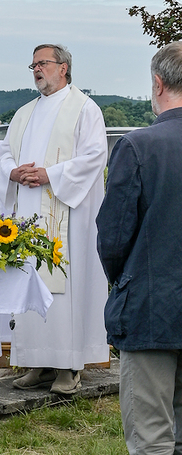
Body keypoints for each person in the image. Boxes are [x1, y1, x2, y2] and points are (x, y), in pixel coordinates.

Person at [0, 44, 109, 395]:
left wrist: (52, 175)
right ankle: (38, 362)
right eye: (33, 65)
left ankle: (68, 367)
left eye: (42, 63)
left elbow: (95, 156)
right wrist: (13, 172)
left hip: (66, 215)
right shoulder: (24, 113)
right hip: (28, 215)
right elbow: (5, 151)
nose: (36, 70)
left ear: (64, 68)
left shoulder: (84, 109)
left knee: (65, 289)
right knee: (32, 285)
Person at [97, 41, 182, 454]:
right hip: (155, 300)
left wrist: (126, 282)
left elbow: (113, 237)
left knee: (151, 436)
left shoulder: (138, 146)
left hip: (152, 306)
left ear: (158, 83)